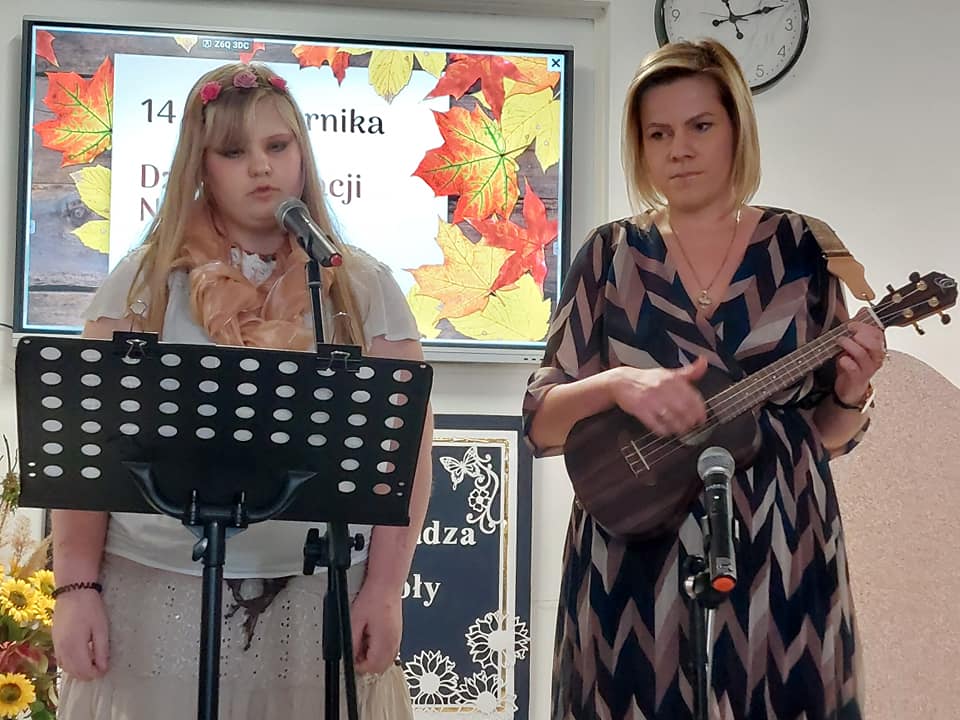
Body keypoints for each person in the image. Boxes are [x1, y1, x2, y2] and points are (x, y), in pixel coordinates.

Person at [51, 62, 433, 719]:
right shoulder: (143, 285)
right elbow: (92, 447)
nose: (261, 166)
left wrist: (385, 588)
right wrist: (75, 588)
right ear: (200, 166)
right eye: (233, 152)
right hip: (156, 594)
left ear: (302, 153)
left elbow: (406, 455)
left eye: (277, 146)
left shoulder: (360, 286)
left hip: (316, 595)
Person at [523, 40, 884, 720]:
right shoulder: (609, 255)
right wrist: (618, 386)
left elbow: (826, 437)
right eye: (658, 133)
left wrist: (851, 392)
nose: (679, 150)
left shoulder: (804, 249)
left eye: (700, 126)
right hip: (634, 547)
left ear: (737, 129)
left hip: (782, 544)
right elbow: (540, 421)